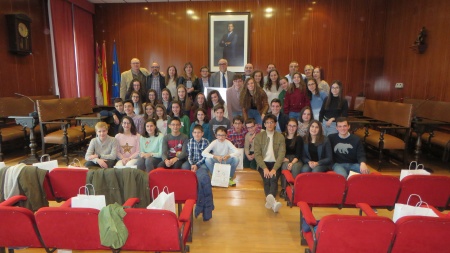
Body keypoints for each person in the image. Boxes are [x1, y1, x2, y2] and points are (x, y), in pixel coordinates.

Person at [181, 125, 214, 221]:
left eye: (199, 132)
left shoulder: (206, 142)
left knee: (202, 172)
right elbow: (189, 155)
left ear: (202, 133)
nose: (197, 134)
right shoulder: (190, 141)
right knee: (184, 167)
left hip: (201, 162)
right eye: (195, 132)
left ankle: (198, 185)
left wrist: (197, 165)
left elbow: (205, 157)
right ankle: (187, 185)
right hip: (192, 162)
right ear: (192, 133)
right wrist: (192, 164)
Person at [254, 114, 286, 213]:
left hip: (275, 164)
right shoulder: (259, 137)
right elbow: (257, 154)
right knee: (266, 179)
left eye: (271, 122)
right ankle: (274, 202)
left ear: (275, 124)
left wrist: (274, 169)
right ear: (264, 124)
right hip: (263, 164)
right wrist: (264, 168)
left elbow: (281, 155)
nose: (269, 124)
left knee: (273, 178)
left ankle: (271, 201)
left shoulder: (280, 137)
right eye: (267, 122)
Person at [280, 119, 303, 197]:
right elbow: (278, 149)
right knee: (284, 166)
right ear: (287, 126)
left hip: (296, 159)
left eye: (294, 126)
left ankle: (294, 189)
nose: (291, 128)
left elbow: (298, 154)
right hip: (285, 158)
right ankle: (284, 189)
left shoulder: (299, 138)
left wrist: (292, 163)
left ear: (297, 127)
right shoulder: (282, 136)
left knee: (295, 167)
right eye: (290, 125)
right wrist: (282, 158)